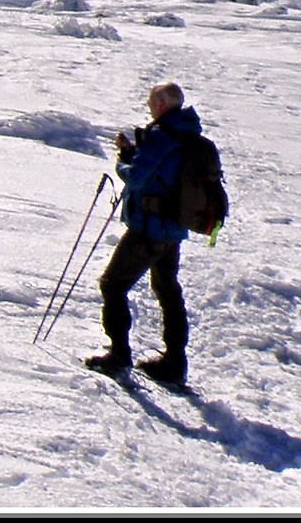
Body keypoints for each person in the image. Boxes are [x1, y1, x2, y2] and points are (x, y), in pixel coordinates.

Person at [85, 81, 201, 386]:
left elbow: (136, 177)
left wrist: (124, 160)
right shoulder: (186, 132)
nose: (150, 108)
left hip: (150, 227)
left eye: (152, 103)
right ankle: (175, 362)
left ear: (161, 105)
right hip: (172, 229)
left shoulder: (162, 135)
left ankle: (119, 356)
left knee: (112, 284)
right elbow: (161, 171)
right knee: (167, 289)